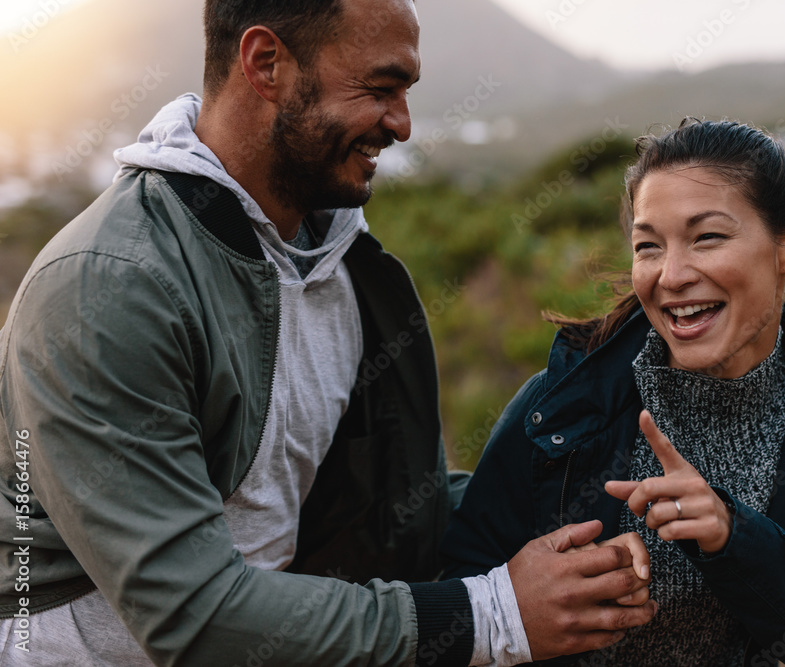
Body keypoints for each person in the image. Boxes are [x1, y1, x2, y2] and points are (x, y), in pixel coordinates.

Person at [0, 0, 656, 665]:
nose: (401, 124)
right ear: (266, 64)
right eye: (380, 89)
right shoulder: (109, 288)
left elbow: (399, 511)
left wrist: (606, 522)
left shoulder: (344, 265)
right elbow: (191, 617)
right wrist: (493, 613)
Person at [441, 119, 785, 666]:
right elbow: (465, 590)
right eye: (648, 246)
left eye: (707, 237)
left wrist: (735, 539)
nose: (672, 275)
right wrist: (543, 593)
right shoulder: (563, 401)